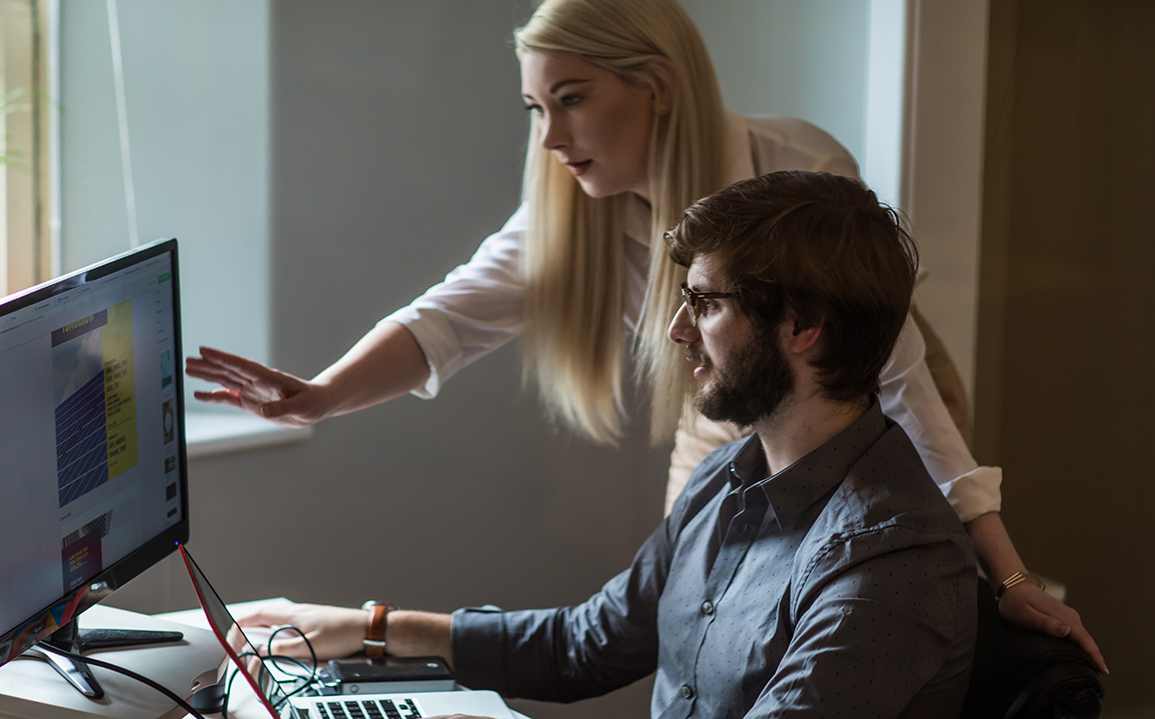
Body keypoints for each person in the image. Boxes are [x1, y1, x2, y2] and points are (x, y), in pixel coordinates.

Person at [184, 0, 1103, 669]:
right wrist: (317, 400)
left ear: (655, 86)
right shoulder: (572, 218)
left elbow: (907, 394)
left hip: (835, 395)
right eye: (536, 109)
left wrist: (1008, 570)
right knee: (693, 633)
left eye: (570, 100)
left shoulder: (798, 177)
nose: (549, 138)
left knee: (853, 612)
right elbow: (447, 317)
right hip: (727, 409)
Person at [238, 172, 980, 718]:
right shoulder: (729, 477)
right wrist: (374, 630)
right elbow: (585, 644)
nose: (676, 329)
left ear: (802, 326)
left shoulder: (889, 561)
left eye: (708, 304)